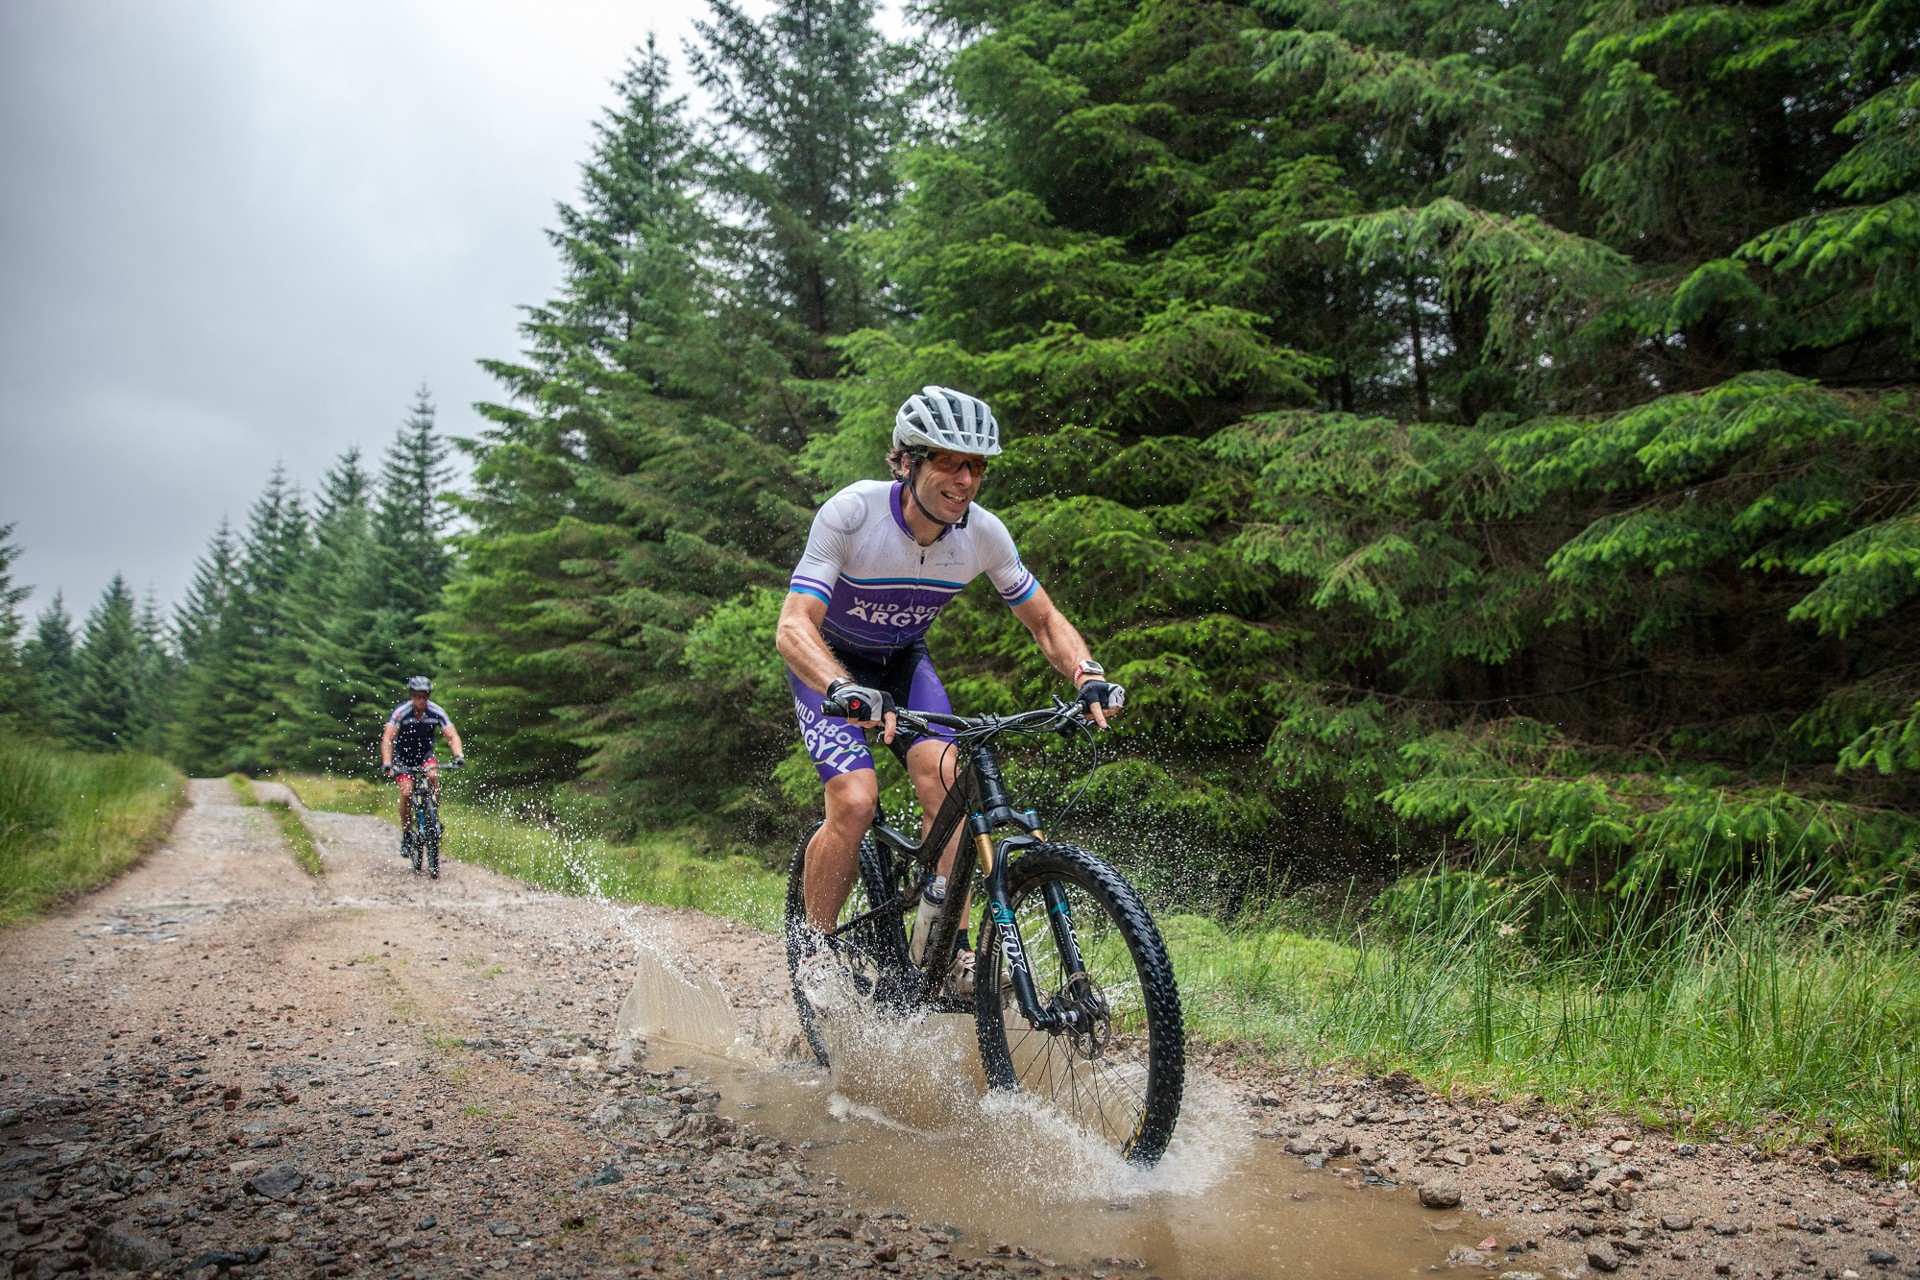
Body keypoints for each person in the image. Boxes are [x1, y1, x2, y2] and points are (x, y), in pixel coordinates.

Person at [775, 385, 1124, 994]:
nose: (965, 479)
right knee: (856, 802)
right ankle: (818, 949)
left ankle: (953, 952)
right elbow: (792, 627)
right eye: (949, 462)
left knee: (948, 781)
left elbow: (1044, 620)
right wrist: (842, 687)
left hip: (903, 664)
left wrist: (1086, 674)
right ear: (907, 462)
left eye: (977, 466)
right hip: (830, 667)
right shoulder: (853, 513)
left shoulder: (983, 535)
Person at [380, 676, 465, 858]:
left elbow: (452, 736)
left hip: (425, 756)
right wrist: (387, 763)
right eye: (418, 696)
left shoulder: (436, 712)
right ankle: (407, 834)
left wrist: (458, 756)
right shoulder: (401, 712)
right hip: (403, 758)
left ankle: (433, 816)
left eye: (425, 696)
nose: (422, 700)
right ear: (412, 696)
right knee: (406, 792)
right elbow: (388, 738)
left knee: (433, 777)